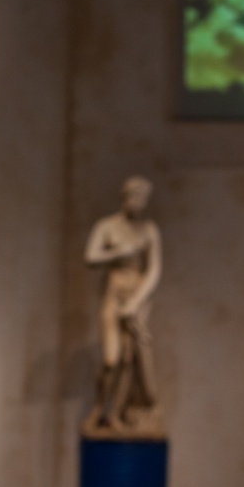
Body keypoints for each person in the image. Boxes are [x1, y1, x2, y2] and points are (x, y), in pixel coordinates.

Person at [82, 175, 164, 438]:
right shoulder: (107, 226)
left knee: (129, 358)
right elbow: (91, 257)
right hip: (113, 295)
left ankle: (115, 414)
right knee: (111, 358)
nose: (138, 202)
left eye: (143, 198)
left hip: (137, 299)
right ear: (125, 197)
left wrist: (136, 302)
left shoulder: (149, 230)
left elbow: (154, 270)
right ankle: (98, 409)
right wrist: (119, 253)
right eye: (134, 196)